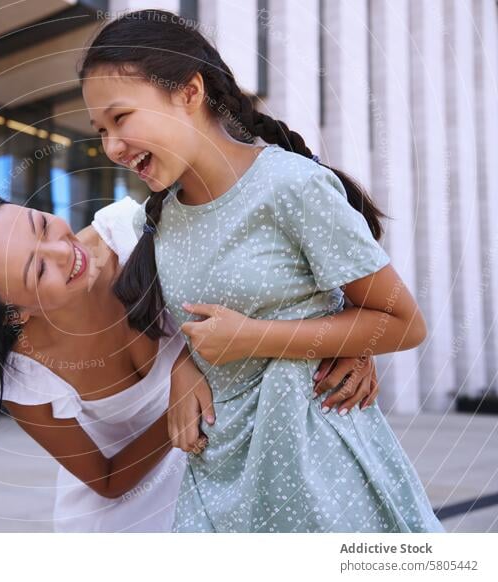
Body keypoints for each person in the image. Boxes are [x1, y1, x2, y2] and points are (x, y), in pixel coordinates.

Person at [0, 193, 379, 532]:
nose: (64, 250)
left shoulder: (135, 232)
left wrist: (352, 333)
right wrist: (179, 402)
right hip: (121, 524)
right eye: (38, 271)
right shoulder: (25, 372)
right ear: (14, 316)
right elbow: (104, 480)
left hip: (218, 486)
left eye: (39, 224)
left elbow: (280, 267)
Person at [79, 9, 444, 532]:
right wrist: (184, 363)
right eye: (100, 130)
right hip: (220, 477)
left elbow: (405, 324)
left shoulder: (290, 186)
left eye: (121, 118)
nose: (111, 146)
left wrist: (255, 337)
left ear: (189, 92)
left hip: (321, 472)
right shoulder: (156, 219)